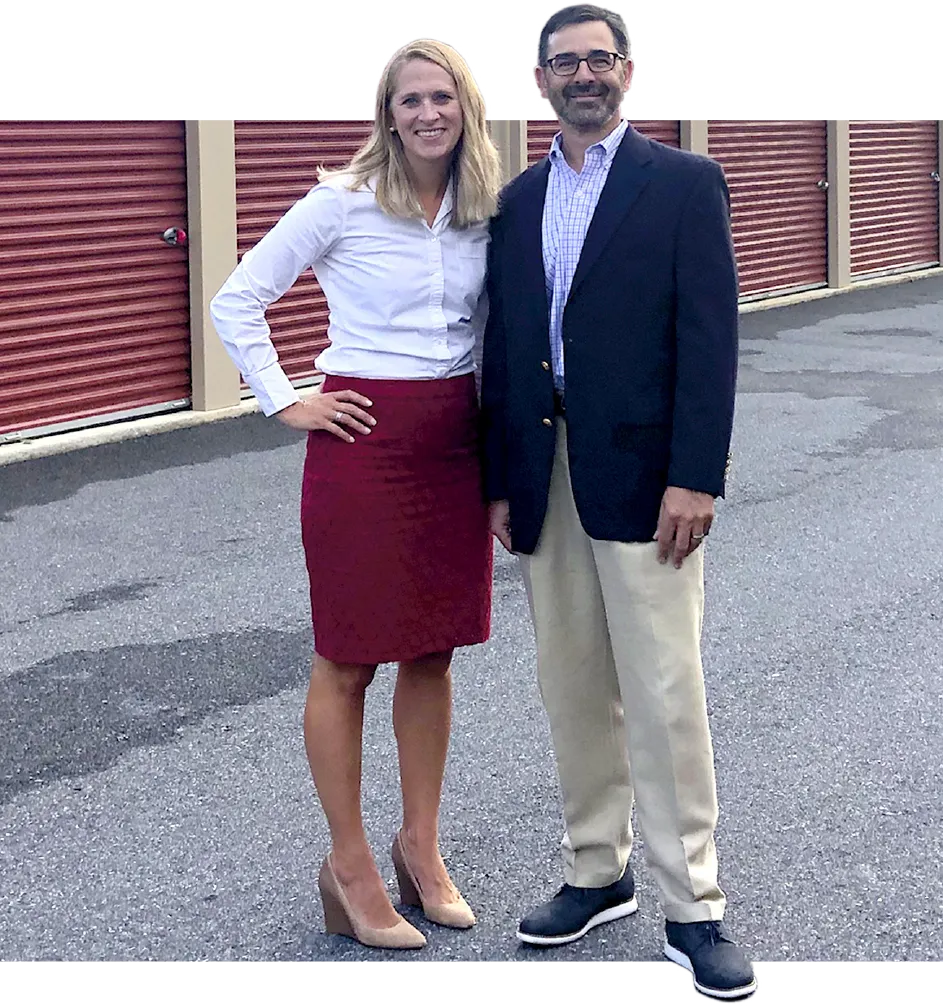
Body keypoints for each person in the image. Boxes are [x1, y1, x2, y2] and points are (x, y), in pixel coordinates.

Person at [480, 4, 757, 997]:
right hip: (544, 474)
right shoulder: (515, 200)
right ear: (538, 79)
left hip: (648, 476)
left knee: (663, 689)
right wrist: (502, 482)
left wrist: (697, 472)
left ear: (629, 72)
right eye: (566, 63)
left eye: (600, 59)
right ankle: (596, 870)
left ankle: (694, 906)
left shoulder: (681, 184)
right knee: (570, 679)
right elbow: (505, 350)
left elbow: (710, 341)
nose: (584, 75)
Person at [210, 37, 502, 951]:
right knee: (347, 660)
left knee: (434, 654)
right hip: (364, 448)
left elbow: (490, 332)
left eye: (442, 98)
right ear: (386, 113)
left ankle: (421, 846)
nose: (427, 114)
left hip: (454, 443)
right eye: (409, 100)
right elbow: (237, 299)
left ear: (469, 110)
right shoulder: (339, 202)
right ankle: (349, 864)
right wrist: (286, 398)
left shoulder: (483, 208)